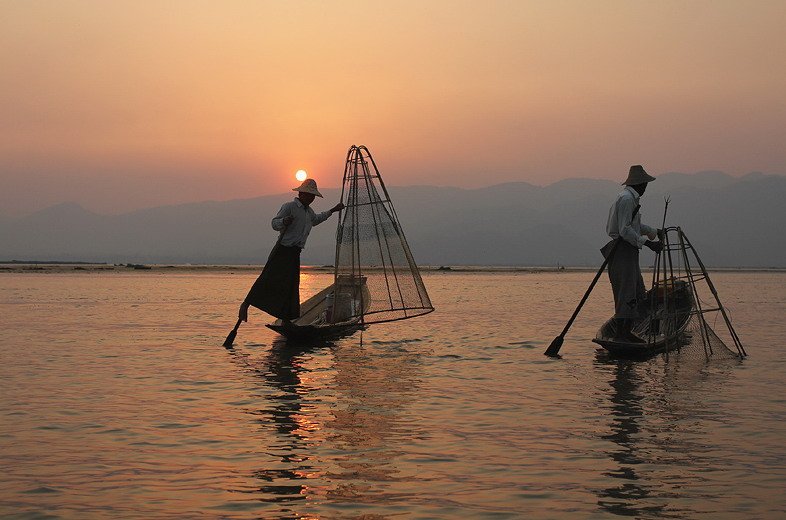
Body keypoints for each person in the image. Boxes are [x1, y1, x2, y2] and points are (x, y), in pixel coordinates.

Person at [239, 178, 344, 323]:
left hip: (295, 253)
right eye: (308, 194)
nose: (311, 198)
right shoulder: (289, 207)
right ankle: (245, 305)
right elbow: (274, 223)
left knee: (291, 287)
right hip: (282, 250)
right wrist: (284, 221)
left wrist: (333, 210)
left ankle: (286, 319)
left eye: (313, 196)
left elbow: (316, 220)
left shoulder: (309, 212)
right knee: (267, 279)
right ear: (301, 194)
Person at [603, 165, 663, 343]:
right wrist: (649, 244)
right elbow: (624, 230)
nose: (645, 187)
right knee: (626, 290)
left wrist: (654, 231)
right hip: (622, 249)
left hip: (629, 249)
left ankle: (626, 330)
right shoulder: (627, 199)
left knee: (636, 289)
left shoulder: (630, 199)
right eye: (644, 184)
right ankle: (622, 333)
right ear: (639, 183)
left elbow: (635, 227)